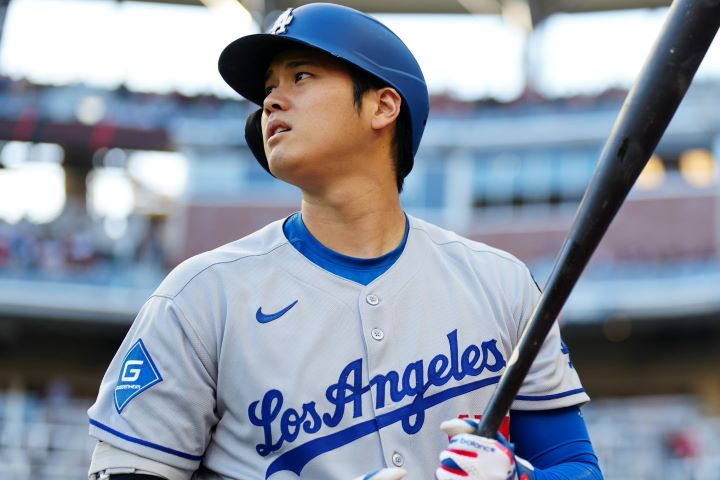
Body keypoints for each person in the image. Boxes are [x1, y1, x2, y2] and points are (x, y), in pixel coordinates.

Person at [86, 3, 603, 480]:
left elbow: (576, 467)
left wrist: (518, 478)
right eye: (269, 88)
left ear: (383, 106)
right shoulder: (200, 296)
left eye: (301, 76)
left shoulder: (501, 284)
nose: (271, 100)